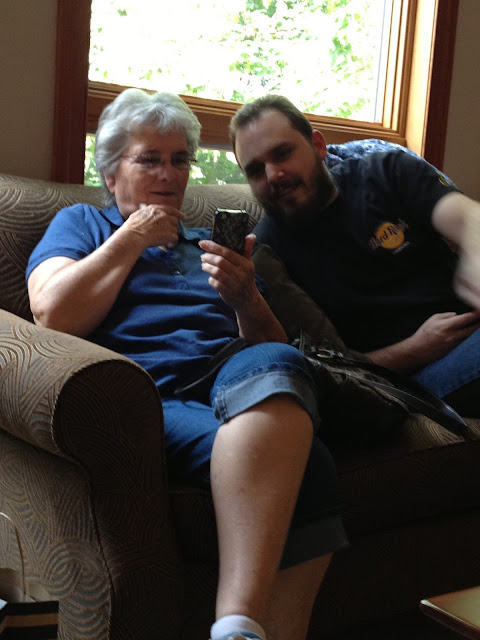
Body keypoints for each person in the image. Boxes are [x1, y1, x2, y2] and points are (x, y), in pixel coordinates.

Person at [26, 88, 348, 640]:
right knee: (311, 462)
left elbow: (276, 357)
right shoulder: (84, 225)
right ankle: (237, 626)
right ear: (111, 173)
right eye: (149, 159)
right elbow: (52, 316)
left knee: (278, 359)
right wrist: (132, 237)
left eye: (180, 160)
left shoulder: (210, 244)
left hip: (234, 381)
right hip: (154, 396)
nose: (169, 174)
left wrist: (247, 299)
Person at [229, 94, 480, 417]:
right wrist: (417, 348)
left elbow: (467, 218)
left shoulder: (387, 171)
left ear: (318, 145)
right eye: (255, 170)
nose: (273, 174)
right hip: (413, 380)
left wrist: (474, 255)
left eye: (282, 153)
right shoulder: (266, 256)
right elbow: (330, 370)